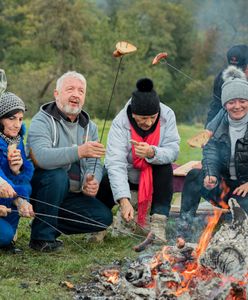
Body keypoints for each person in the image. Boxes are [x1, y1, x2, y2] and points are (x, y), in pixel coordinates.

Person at [27, 71, 113, 252]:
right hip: (42, 189)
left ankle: (46, 221)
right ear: (57, 94)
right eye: (70, 89)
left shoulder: (90, 127)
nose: (76, 94)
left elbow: (95, 162)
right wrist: (79, 151)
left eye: (81, 91)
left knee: (102, 218)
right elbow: (41, 157)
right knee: (57, 176)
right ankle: (41, 238)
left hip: (72, 194)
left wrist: (91, 180)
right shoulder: (41, 121)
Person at [103, 78, 180, 242]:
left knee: (165, 167)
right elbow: (116, 163)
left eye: (153, 117)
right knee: (104, 175)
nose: (149, 122)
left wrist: (153, 153)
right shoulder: (119, 123)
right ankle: (99, 224)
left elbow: (173, 150)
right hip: (129, 175)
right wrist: (124, 200)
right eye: (143, 118)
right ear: (133, 113)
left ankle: (158, 224)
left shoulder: (167, 115)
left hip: (153, 175)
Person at [179, 66, 248, 237]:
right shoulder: (216, 127)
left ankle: (238, 231)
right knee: (195, 175)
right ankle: (184, 229)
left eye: (242, 101)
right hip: (224, 188)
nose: (237, 106)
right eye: (231, 102)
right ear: (225, 105)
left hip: (245, 192)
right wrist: (211, 174)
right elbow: (210, 152)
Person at [0, 92, 34, 253]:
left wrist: (17, 170)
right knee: (4, 234)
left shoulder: (16, 140)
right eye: (11, 118)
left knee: (25, 189)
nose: (17, 124)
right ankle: (6, 236)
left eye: (20, 119)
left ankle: (8, 239)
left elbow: (20, 181)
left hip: (5, 196)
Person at [206, 44, 248, 125]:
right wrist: (208, 129)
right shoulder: (221, 78)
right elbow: (216, 106)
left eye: (241, 70)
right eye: (234, 70)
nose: (236, 75)